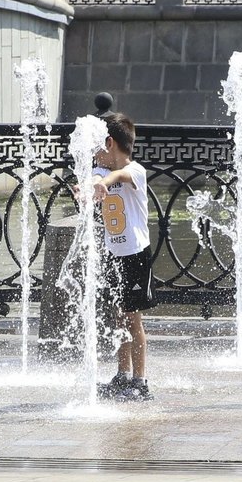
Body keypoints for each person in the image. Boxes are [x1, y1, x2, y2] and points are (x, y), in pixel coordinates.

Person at [91, 112, 158, 401]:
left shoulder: (137, 172)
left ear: (109, 143)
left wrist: (106, 181)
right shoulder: (100, 172)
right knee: (119, 317)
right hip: (114, 254)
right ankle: (122, 375)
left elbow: (122, 176)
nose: (92, 154)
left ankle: (140, 382)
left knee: (134, 319)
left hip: (135, 255)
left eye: (95, 147)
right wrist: (88, 187)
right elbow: (96, 178)